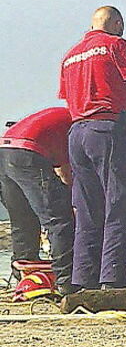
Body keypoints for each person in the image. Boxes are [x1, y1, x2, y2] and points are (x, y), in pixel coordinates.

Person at [59, 6, 126, 290]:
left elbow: (67, 97)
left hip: (77, 133)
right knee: (117, 203)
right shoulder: (115, 45)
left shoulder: (70, 55)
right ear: (116, 23)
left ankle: (82, 279)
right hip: (107, 129)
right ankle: (112, 279)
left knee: (87, 209)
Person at [0, 107, 76, 293]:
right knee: (59, 219)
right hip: (27, 153)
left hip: (4, 151)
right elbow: (65, 173)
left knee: (23, 221)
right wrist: (74, 205)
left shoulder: (59, 120)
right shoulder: (76, 124)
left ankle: (23, 277)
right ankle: (66, 282)